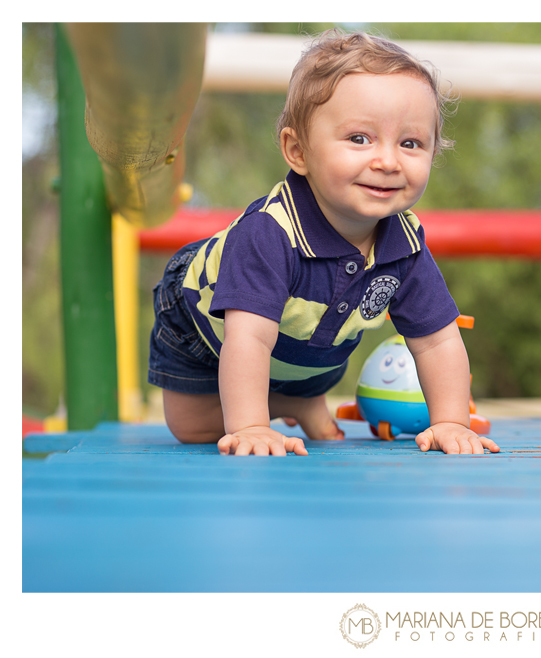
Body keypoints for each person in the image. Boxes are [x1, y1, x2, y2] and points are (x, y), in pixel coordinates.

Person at [147, 30, 500, 457]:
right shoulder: (269, 233)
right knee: (192, 427)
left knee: (310, 358)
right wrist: (253, 427)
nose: (387, 161)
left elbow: (438, 340)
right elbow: (249, 340)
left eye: (410, 143)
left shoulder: (405, 244)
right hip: (208, 326)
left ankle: (297, 396)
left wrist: (450, 422)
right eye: (359, 139)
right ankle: (282, 405)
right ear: (298, 151)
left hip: (310, 348)